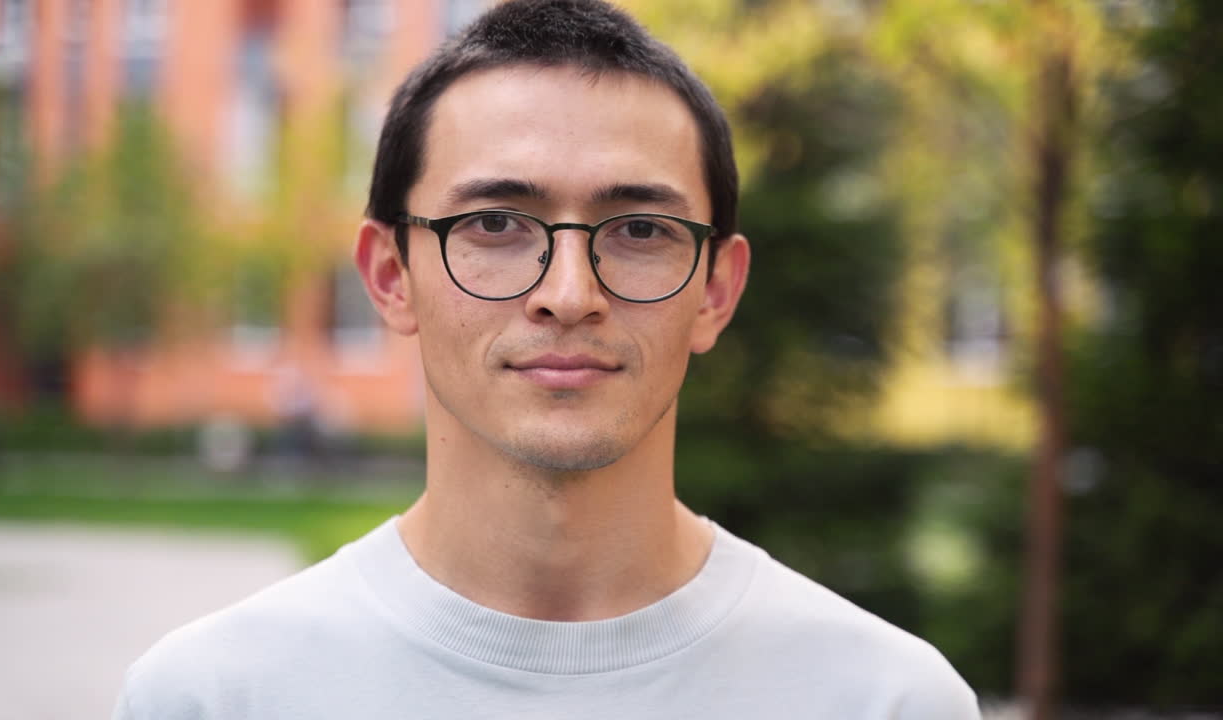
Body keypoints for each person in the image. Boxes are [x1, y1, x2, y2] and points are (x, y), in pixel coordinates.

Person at [114, 1, 979, 717]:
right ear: (390, 277)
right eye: (494, 224)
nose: (569, 292)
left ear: (716, 290)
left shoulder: (885, 701)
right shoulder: (213, 697)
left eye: (641, 230)